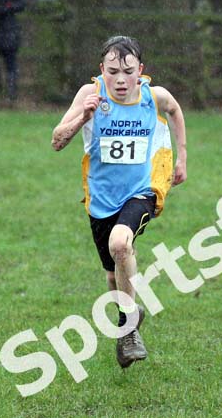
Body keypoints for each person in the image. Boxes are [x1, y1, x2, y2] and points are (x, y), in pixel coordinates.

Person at [51, 36, 187, 368]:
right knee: (113, 275)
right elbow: (56, 141)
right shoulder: (89, 94)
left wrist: (181, 156)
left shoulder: (154, 97)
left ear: (140, 70)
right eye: (113, 72)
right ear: (102, 70)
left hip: (141, 191)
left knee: (121, 244)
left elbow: (173, 110)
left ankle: (127, 330)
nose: (121, 80)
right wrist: (83, 117)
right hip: (100, 200)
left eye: (128, 71)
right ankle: (131, 311)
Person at [0, 0, 25, 102]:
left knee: (10, 66)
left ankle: (11, 94)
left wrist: (8, 7)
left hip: (8, 32)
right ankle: (0, 92)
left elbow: (21, 3)